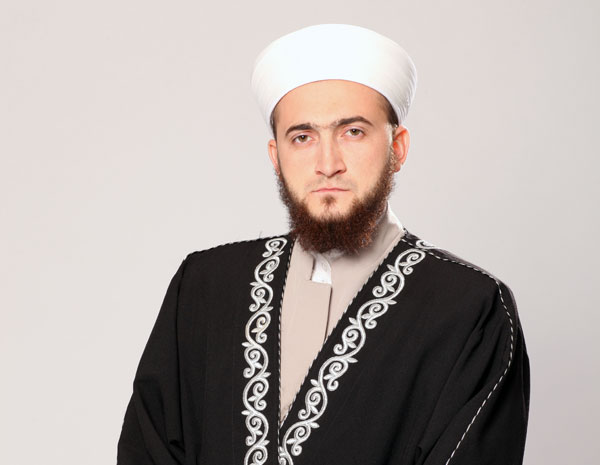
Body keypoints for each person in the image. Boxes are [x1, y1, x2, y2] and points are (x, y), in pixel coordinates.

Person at [117, 24, 530, 465]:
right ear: (276, 157)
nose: (327, 164)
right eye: (303, 137)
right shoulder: (204, 288)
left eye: (353, 132)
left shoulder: (470, 310)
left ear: (398, 147)